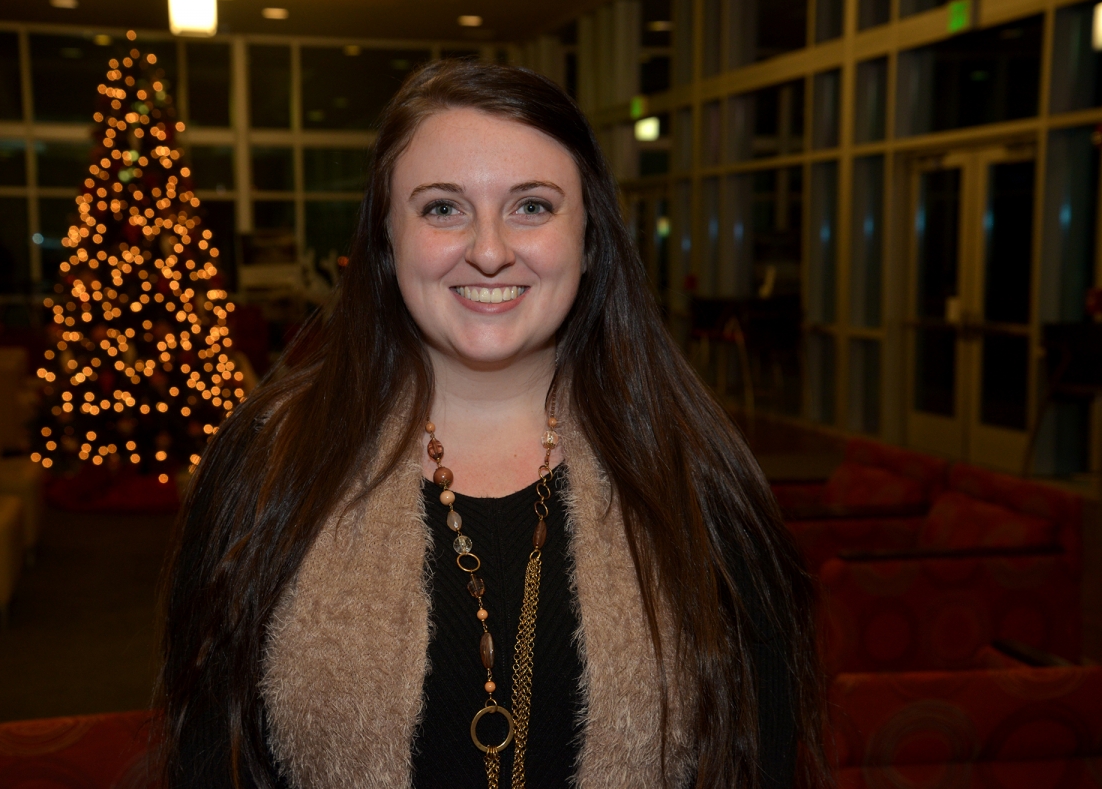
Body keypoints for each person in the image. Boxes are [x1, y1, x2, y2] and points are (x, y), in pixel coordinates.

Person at [157, 59, 826, 789]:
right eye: (442, 207)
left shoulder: (693, 472)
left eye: (532, 205)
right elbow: (207, 760)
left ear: (590, 234)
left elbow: (761, 758)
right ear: (385, 239)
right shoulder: (267, 462)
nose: (488, 249)